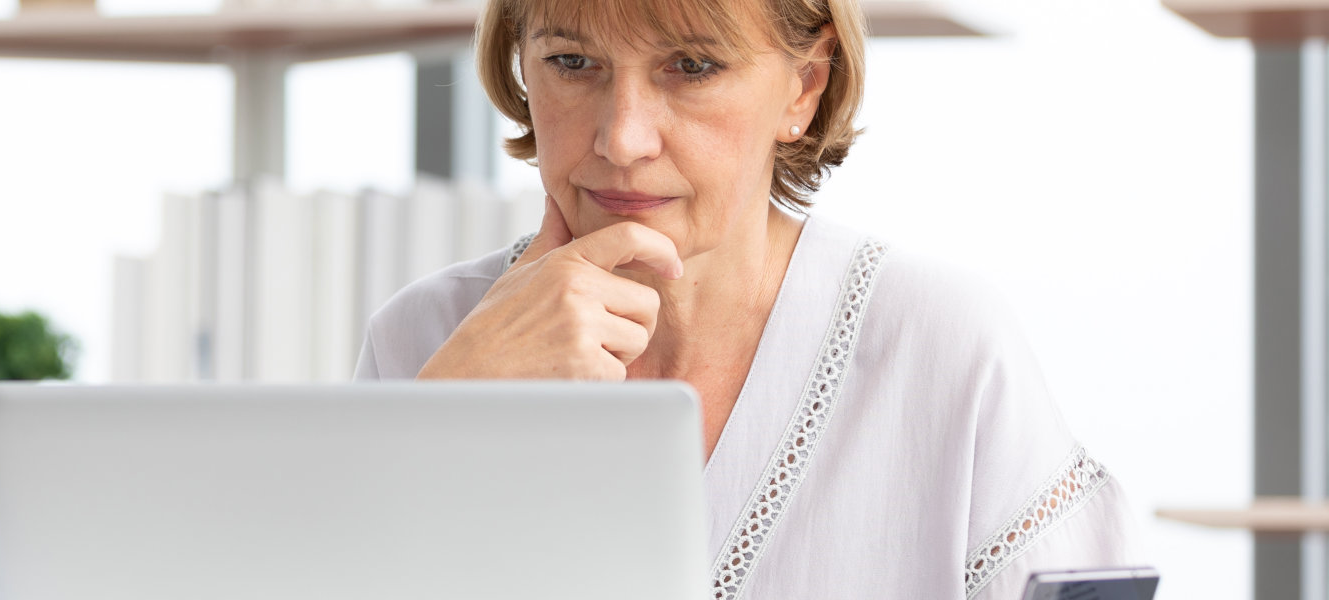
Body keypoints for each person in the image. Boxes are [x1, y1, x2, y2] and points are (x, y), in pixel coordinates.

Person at [354, 0, 1142, 597]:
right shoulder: (424, 342)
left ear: (804, 86)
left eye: (691, 67)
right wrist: (444, 420)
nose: (621, 138)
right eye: (572, 62)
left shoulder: (944, 349)